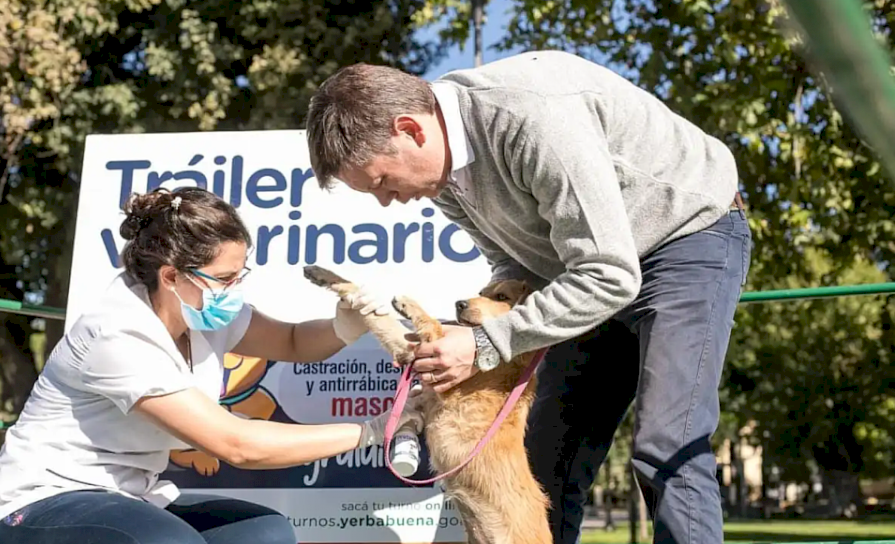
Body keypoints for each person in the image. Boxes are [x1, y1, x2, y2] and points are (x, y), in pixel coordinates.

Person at [304, 50, 753, 544]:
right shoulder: (446, 177)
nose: (387, 201)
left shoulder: (530, 117)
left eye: (382, 182)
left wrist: (480, 345)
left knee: (666, 441)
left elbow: (609, 273)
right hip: (583, 269)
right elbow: (514, 269)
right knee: (547, 458)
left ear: (411, 129)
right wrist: (476, 335)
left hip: (685, 238)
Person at [0, 187, 424, 544]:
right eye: (226, 279)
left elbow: (292, 341)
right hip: (39, 504)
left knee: (266, 532)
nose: (235, 289)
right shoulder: (117, 333)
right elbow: (237, 444)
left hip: (129, 497)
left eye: (241, 274)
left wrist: (346, 326)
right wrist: (372, 430)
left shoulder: (204, 312)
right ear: (172, 276)